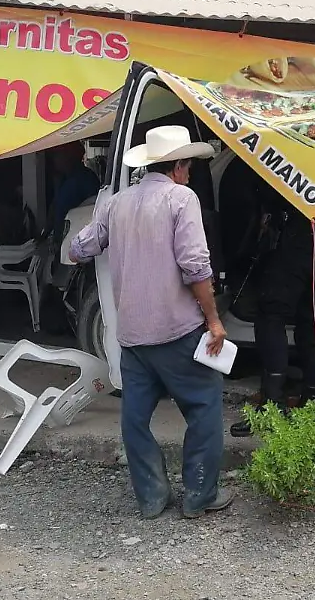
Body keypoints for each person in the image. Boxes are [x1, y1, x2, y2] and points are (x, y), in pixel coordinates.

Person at [69, 126, 232, 520]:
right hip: (177, 331)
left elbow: (79, 248)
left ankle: (151, 497)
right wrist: (213, 321)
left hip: (133, 337)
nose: (190, 173)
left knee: (135, 419)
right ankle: (198, 495)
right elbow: (195, 266)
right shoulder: (181, 199)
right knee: (205, 408)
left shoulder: (116, 203)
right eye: (188, 165)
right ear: (178, 166)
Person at [229, 177, 315, 438]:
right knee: (314, 326)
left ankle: (272, 404)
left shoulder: (297, 146)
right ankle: (313, 406)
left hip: (297, 239)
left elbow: (272, 192)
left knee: (271, 315)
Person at [50, 143, 100, 245]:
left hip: (79, 241)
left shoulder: (86, 179)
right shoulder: (62, 180)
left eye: (58, 155)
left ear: (69, 156)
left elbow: (93, 209)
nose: (55, 159)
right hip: (62, 239)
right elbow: (55, 207)